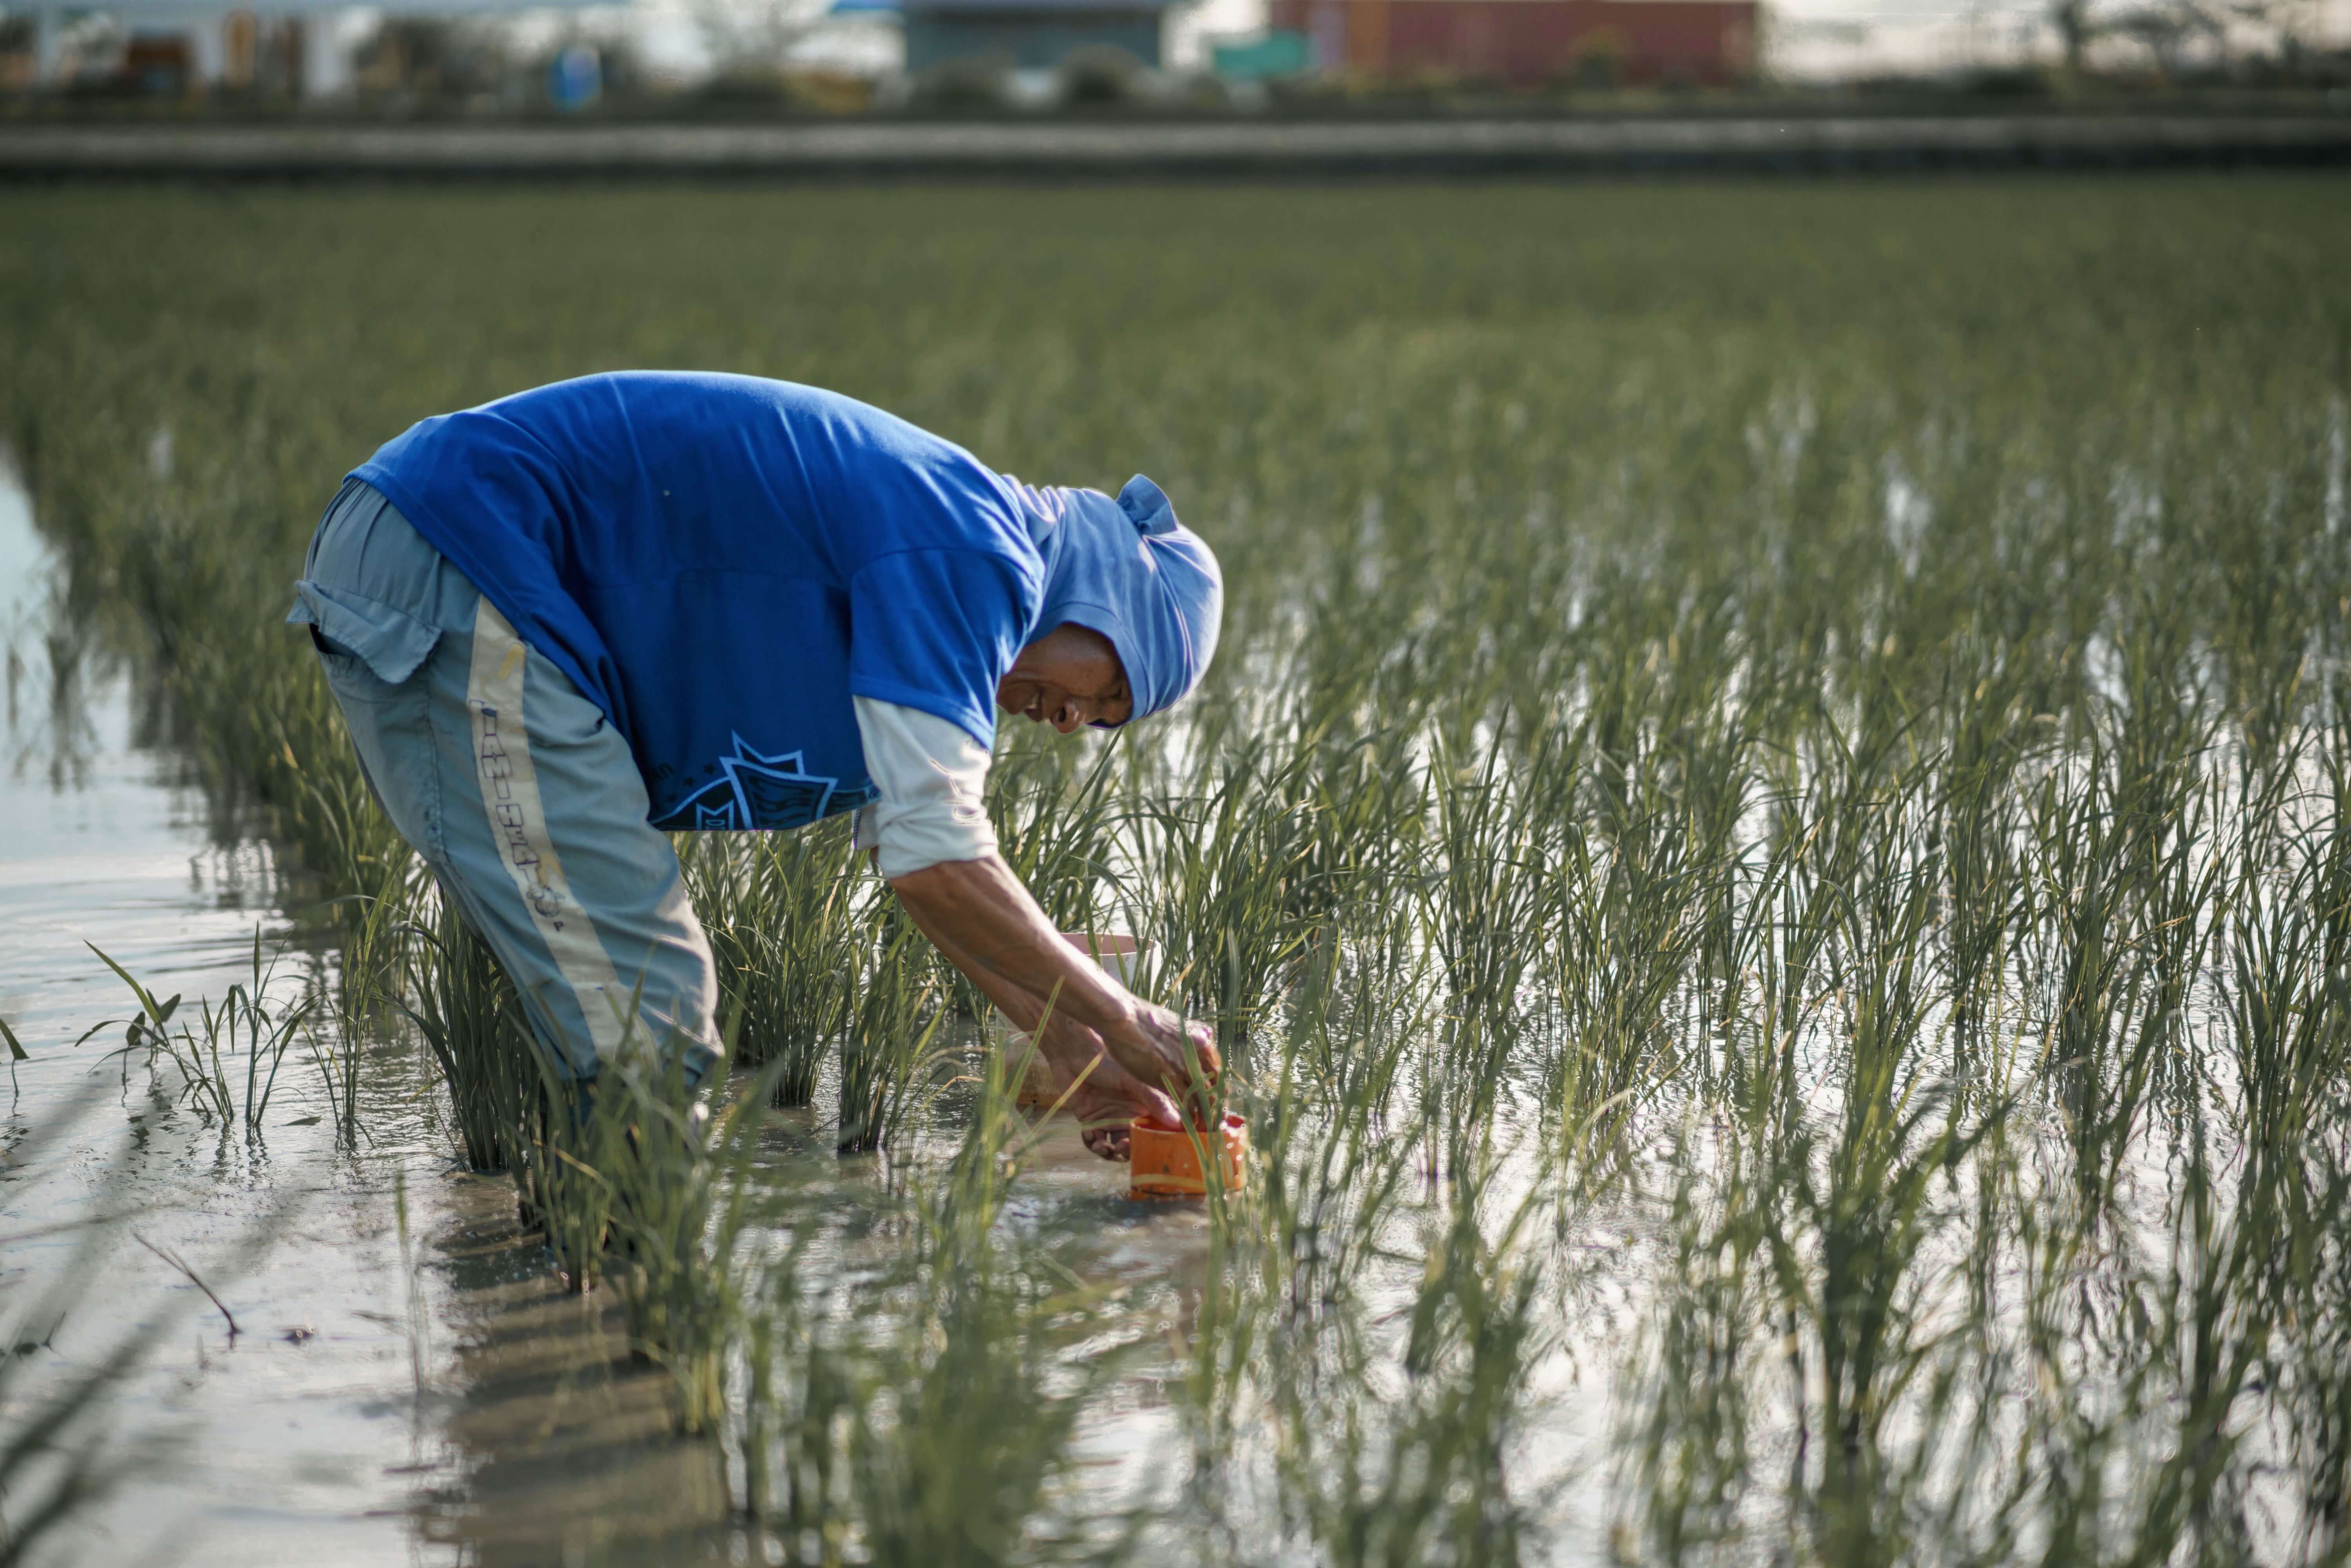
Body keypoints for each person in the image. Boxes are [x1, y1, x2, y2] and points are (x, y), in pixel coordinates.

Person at [288, 371, 1222, 1157]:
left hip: (451, 563)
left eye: (1104, 724)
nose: (1072, 722)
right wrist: (1130, 1020)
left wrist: (1076, 1054)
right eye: (1108, 691)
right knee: (646, 1024)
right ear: (1106, 603)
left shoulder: (954, 608)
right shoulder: (973, 548)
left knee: (621, 1010)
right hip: (463, 548)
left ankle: (589, 1301)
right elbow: (941, 859)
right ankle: (633, 1331)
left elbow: (924, 871)